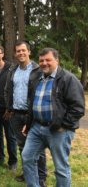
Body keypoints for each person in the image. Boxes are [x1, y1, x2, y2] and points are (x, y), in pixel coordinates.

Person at [21, 48, 85, 187]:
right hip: (36, 127)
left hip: (58, 130)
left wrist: (63, 125)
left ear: (56, 60)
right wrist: (29, 122)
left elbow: (78, 107)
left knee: (61, 168)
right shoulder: (37, 77)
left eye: (48, 60)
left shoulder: (68, 78)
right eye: (41, 61)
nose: (44, 63)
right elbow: (32, 102)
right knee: (27, 158)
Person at [4, 41, 47, 187]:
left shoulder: (38, 70)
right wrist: (9, 107)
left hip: (33, 115)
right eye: (18, 51)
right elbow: (8, 90)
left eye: (23, 50)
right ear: (15, 54)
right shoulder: (12, 70)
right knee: (22, 146)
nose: (20, 53)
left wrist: (34, 112)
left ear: (29, 52)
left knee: (37, 147)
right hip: (16, 114)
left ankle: (41, 177)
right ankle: (27, 172)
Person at [0, 45, 18, 171]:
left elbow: (15, 88)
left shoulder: (11, 69)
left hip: (7, 109)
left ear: (2, 54)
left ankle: (13, 162)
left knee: (10, 135)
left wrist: (10, 107)